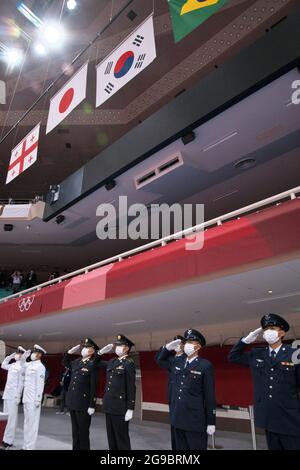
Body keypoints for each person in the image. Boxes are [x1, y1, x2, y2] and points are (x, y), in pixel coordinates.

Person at [228, 313, 300, 450]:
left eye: (272, 328)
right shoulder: (257, 354)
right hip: (268, 417)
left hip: (290, 417)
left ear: (282, 332)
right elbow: (233, 357)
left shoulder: (294, 353)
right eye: (266, 329)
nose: (268, 332)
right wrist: (245, 341)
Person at [168, 328, 216, 450]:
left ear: (198, 346)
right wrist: (167, 348)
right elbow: (159, 359)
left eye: (191, 342)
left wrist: (211, 421)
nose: (187, 344)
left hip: (195, 420)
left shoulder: (205, 365)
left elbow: (209, 396)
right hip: (178, 418)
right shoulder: (178, 363)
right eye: (186, 342)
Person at [97, 335, 136, 450]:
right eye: (117, 345)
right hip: (109, 405)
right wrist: (100, 352)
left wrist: (130, 408)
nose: (117, 347)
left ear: (126, 348)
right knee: (111, 438)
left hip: (120, 407)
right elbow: (95, 362)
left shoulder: (129, 363)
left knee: (121, 439)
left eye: (120, 345)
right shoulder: (112, 361)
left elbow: (131, 387)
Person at [64, 338, 99, 450]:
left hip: (84, 404)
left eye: (86, 347)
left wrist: (92, 404)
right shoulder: (76, 362)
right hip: (73, 401)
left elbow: (94, 385)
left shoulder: (92, 364)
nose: (83, 349)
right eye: (83, 347)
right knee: (75, 431)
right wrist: (69, 353)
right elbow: (65, 363)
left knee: (83, 432)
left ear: (92, 351)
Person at [155, 335, 186, 450]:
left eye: (179, 343)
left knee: (183, 429)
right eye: (175, 344)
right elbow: (158, 360)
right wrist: (166, 348)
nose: (177, 346)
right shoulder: (171, 359)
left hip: (183, 398)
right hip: (172, 398)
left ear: (184, 345)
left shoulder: (186, 358)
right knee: (174, 428)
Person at [22, 345, 47, 450]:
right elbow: (22, 364)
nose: (32, 354)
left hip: (33, 400)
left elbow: (40, 384)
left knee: (32, 425)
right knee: (26, 423)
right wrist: (24, 356)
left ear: (39, 354)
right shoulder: (30, 364)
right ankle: (25, 445)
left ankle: (30, 447)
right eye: (32, 352)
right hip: (26, 399)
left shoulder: (40, 367)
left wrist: (38, 399)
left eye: (34, 352)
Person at [0, 346, 26, 450]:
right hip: (7, 394)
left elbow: (21, 383)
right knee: (6, 418)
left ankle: (9, 441)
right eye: (16, 353)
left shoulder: (22, 367)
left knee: (11, 419)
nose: (16, 355)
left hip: (14, 395)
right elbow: (3, 365)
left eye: (18, 354)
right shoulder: (13, 365)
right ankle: (5, 438)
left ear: (22, 355)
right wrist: (9, 356)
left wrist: (18, 396)